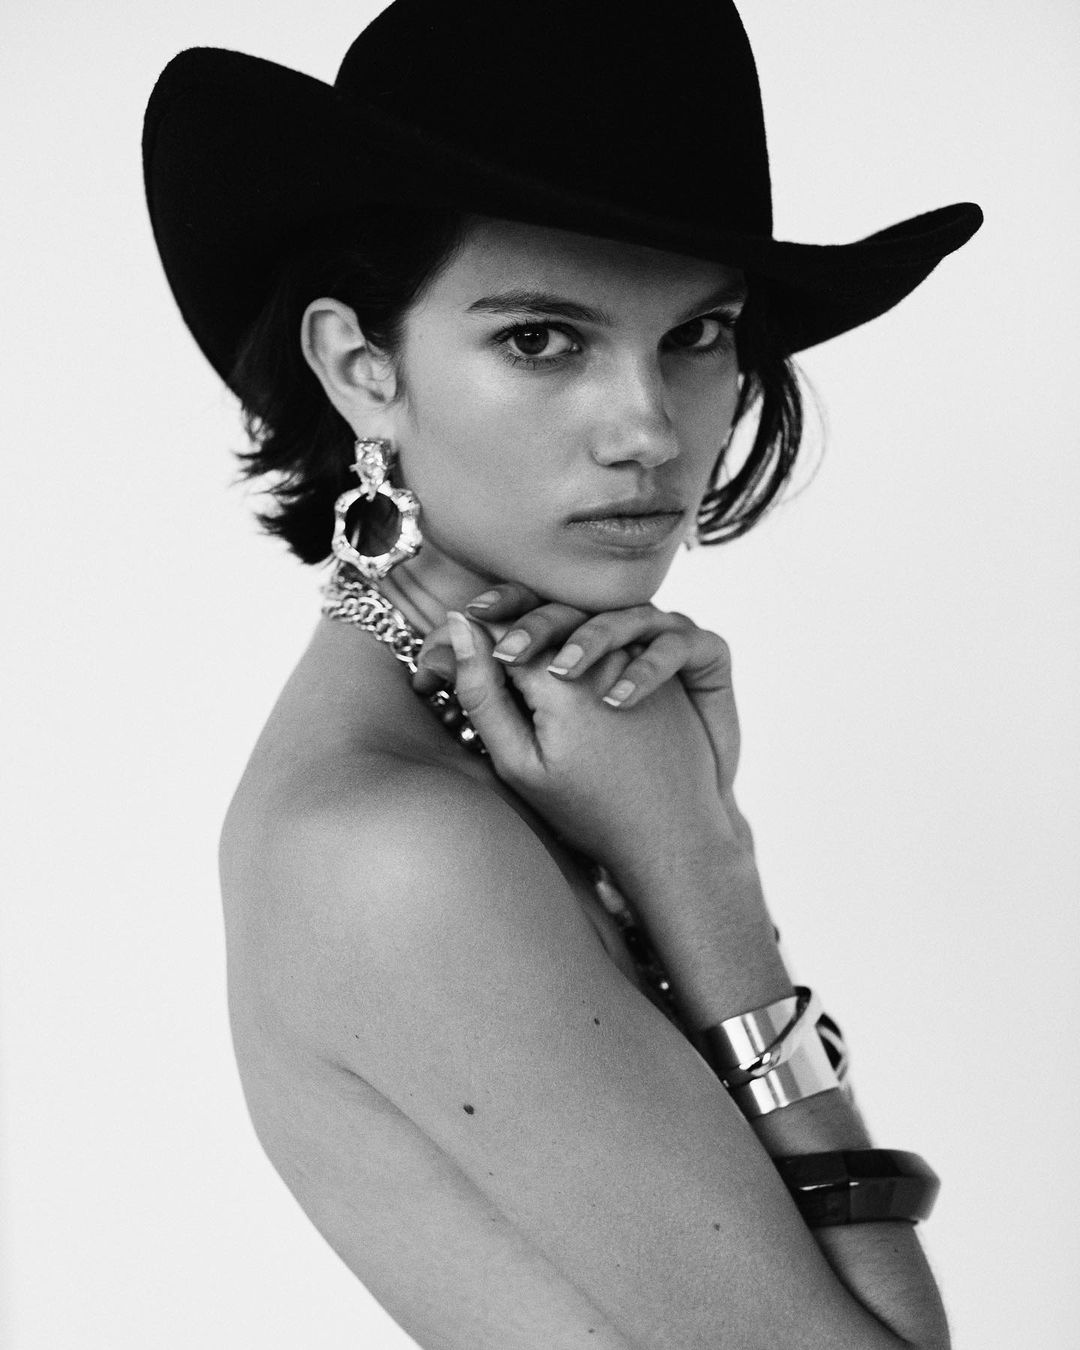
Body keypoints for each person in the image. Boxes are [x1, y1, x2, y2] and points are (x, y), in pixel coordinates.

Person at [143, 2, 981, 1345]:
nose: (649, 429)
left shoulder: (522, 759)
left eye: (697, 335)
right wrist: (703, 870)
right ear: (360, 366)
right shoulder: (399, 849)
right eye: (543, 339)